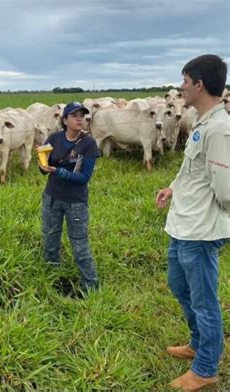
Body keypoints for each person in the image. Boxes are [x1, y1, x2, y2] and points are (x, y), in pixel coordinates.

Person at [156, 54, 229, 391]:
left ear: (199, 85)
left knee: (203, 300)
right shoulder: (202, 122)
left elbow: (226, 189)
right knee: (179, 286)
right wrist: (173, 188)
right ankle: (199, 343)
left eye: (185, 81)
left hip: (200, 231)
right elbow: (195, 171)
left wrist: (219, 218)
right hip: (183, 224)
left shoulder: (218, 128)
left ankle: (205, 369)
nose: (181, 87)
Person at [38, 101, 100, 291]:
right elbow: (43, 168)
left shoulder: (89, 144)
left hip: (75, 202)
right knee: (50, 239)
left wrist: (58, 171)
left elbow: (84, 177)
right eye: (74, 115)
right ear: (65, 120)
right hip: (52, 197)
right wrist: (42, 166)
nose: (80, 119)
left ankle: (91, 286)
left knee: (80, 246)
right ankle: (52, 279)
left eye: (82, 115)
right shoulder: (54, 139)